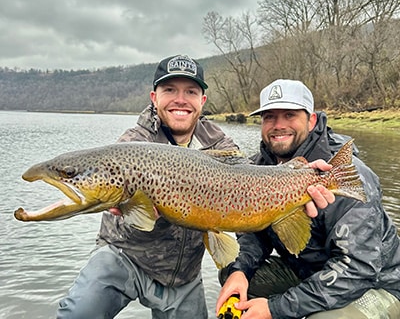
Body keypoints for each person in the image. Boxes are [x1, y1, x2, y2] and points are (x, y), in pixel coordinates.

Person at [56, 59, 333, 319]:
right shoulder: (132, 144)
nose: (180, 99)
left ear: (202, 101)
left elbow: (251, 185)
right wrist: (131, 209)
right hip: (123, 258)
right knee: (77, 312)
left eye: (190, 91)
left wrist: (302, 177)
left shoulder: (220, 144)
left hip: (183, 276)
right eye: (169, 90)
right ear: (155, 97)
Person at [216, 79, 400, 319]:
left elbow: (358, 268)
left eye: (290, 115)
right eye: (269, 117)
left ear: (311, 120)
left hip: (377, 283)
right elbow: (255, 233)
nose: (278, 125)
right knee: (234, 277)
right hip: (309, 273)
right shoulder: (260, 168)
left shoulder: (345, 175)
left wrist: (275, 309)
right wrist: (240, 270)